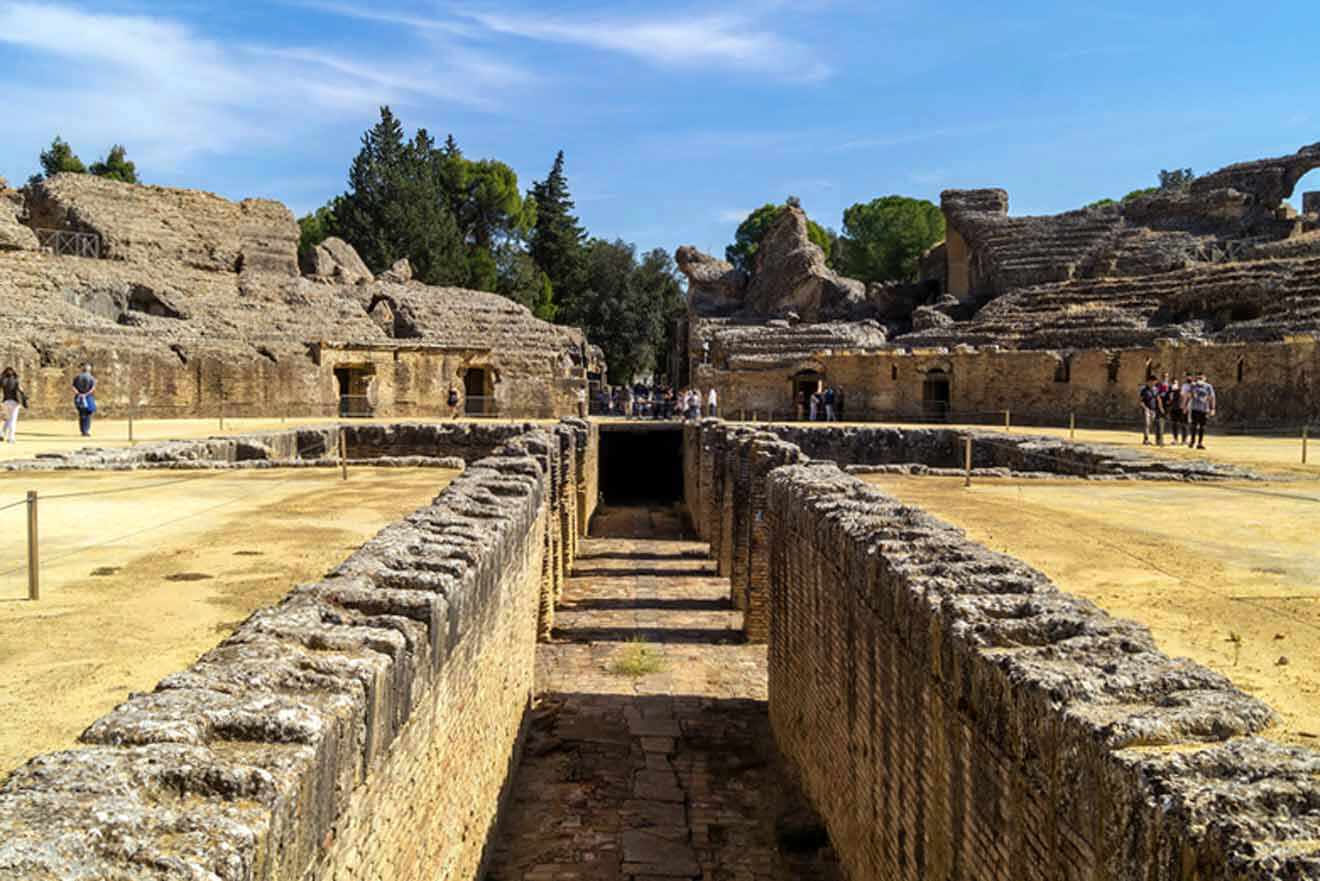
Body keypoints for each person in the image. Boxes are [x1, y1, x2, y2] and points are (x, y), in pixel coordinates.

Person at [1185, 371, 1217, 450]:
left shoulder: (1208, 386)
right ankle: (1192, 441)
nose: (1199, 379)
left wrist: (1212, 408)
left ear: (1205, 378)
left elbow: (1212, 397)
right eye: (1198, 378)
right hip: (1195, 409)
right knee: (1193, 426)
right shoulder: (1193, 386)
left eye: (1201, 378)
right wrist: (1185, 406)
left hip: (1204, 409)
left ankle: (1200, 443)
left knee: (1202, 426)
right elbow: (1188, 396)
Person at [2, 366, 26, 444]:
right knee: (12, 420)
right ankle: (11, 438)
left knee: (8, 419)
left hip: (5, 402)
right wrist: (24, 400)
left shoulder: (3, 380)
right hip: (14, 402)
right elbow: (20, 390)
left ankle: (2, 433)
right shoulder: (16, 380)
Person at [72, 363, 96, 437]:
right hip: (88, 397)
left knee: (81, 414)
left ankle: (83, 430)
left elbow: (73, 387)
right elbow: (93, 388)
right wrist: (86, 394)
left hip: (79, 397)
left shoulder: (77, 377)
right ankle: (86, 430)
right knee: (88, 413)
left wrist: (79, 394)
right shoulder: (92, 378)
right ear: (89, 370)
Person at [1138, 376, 1164, 446]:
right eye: (1152, 382)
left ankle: (1151, 439)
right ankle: (1146, 439)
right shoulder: (1144, 390)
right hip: (1146, 409)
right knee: (1147, 424)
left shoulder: (1155, 389)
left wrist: (1161, 408)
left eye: (1154, 382)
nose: (1153, 383)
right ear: (1149, 382)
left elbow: (1158, 399)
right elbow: (1140, 400)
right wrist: (1145, 408)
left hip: (1153, 409)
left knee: (1151, 424)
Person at [1164, 376, 1185, 445]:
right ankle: (1175, 439)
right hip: (1173, 409)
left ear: (1177, 383)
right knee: (1174, 424)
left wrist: (1184, 407)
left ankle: (1184, 440)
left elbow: (1184, 398)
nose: (1174, 384)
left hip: (1180, 409)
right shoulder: (1169, 391)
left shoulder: (1180, 390)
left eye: (1175, 383)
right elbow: (1166, 401)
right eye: (1173, 383)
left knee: (1183, 424)